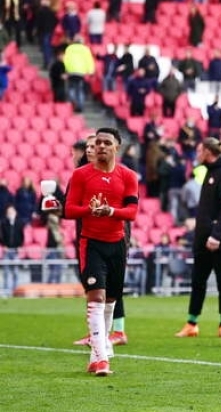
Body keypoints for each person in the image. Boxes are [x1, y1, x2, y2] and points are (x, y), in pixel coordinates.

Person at [63, 128, 139, 376]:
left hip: (117, 244)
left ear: (117, 147)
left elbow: (132, 212)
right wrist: (90, 209)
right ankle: (103, 359)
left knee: (110, 302)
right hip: (91, 243)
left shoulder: (128, 176)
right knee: (96, 298)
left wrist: (110, 211)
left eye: (107, 143)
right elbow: (69, 210)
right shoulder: (80, 175)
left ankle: (96, 356)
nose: (101, 147)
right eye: (98, 143)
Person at [175, 138, 221, 339]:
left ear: (208, 152)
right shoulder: (209, 172)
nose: (197, 154)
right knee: (198, 281)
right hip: (202, 238)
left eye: (199, 150)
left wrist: (216, 235)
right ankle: (191, 323)